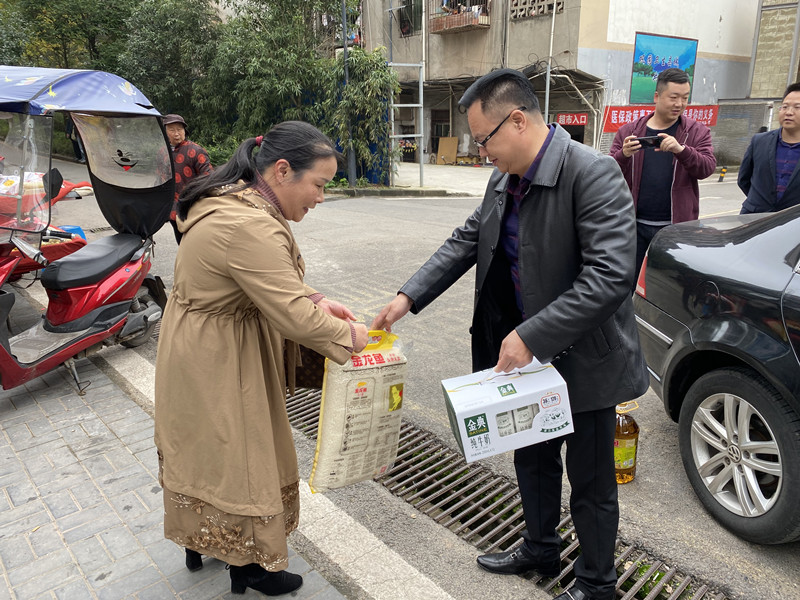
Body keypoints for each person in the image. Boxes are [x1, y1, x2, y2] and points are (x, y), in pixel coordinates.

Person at [372, 69, 648, 600]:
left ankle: (596, 584)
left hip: (584, 357)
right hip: (527, 354)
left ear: (518, 121)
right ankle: (540, 547)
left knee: (590, 480)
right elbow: (466, 240)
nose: (481, 154)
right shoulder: (504, 178)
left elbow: (610, 276)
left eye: (484, 140)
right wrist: (408, 296)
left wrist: (534, 335)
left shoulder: (593, 172)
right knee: (532, 458)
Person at [154, 121, 369, 596]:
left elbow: (262, 279)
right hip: (222, 355)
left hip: (202, 342)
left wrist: (317, 298)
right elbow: (292, 314)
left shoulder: (235, 200)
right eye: (319, 185)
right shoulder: (248, 223)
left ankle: (203, 541)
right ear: (283, 170)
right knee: (243, 457)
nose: (321, 198)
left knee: (209, 451)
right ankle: (249, 567)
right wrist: (352, 336)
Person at [609, 67, 716, 280]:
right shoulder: (629, 132)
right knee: (630, 281)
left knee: (669, 285)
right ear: (657, 96)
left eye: (685, 98)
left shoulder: (697, 132)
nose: (680, 104)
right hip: (633, 226)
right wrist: (623, 155)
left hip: (676, 228)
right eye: (673, 97)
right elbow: (608, 173)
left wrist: (682, 150)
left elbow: (707, 168)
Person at [738, 82, 800, 213]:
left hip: (793, 221)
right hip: (754, 216)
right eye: (785, 107)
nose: (789, 112)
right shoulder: (759, 141)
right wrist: (758, 201)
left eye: (797, 107)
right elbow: (743, 179)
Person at [162, 114, 212, 244]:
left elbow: (209, 178)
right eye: (172, 130)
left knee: (197, 243)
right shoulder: (162, 152)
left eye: (180, 129)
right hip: (173, 209)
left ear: (185, 131)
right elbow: (160, 179)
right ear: (164, 132)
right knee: (181, 242)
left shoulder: (195, 151)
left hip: (193, 207)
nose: (176, 133)